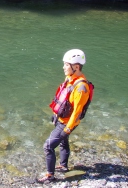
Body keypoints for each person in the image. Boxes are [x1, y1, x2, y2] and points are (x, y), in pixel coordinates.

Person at [38, 49, 91, 183]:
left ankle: (50, 176)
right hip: (62, 118)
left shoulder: (81, 88)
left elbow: (77, 112)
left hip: (67, 122)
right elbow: (64, 98)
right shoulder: (70, 79)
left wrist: (67, 129)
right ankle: (63, 165)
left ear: (76, 67)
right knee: (63, 142)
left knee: (48, 146)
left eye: (66, 65)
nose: (63, 67)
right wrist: (56, 113)